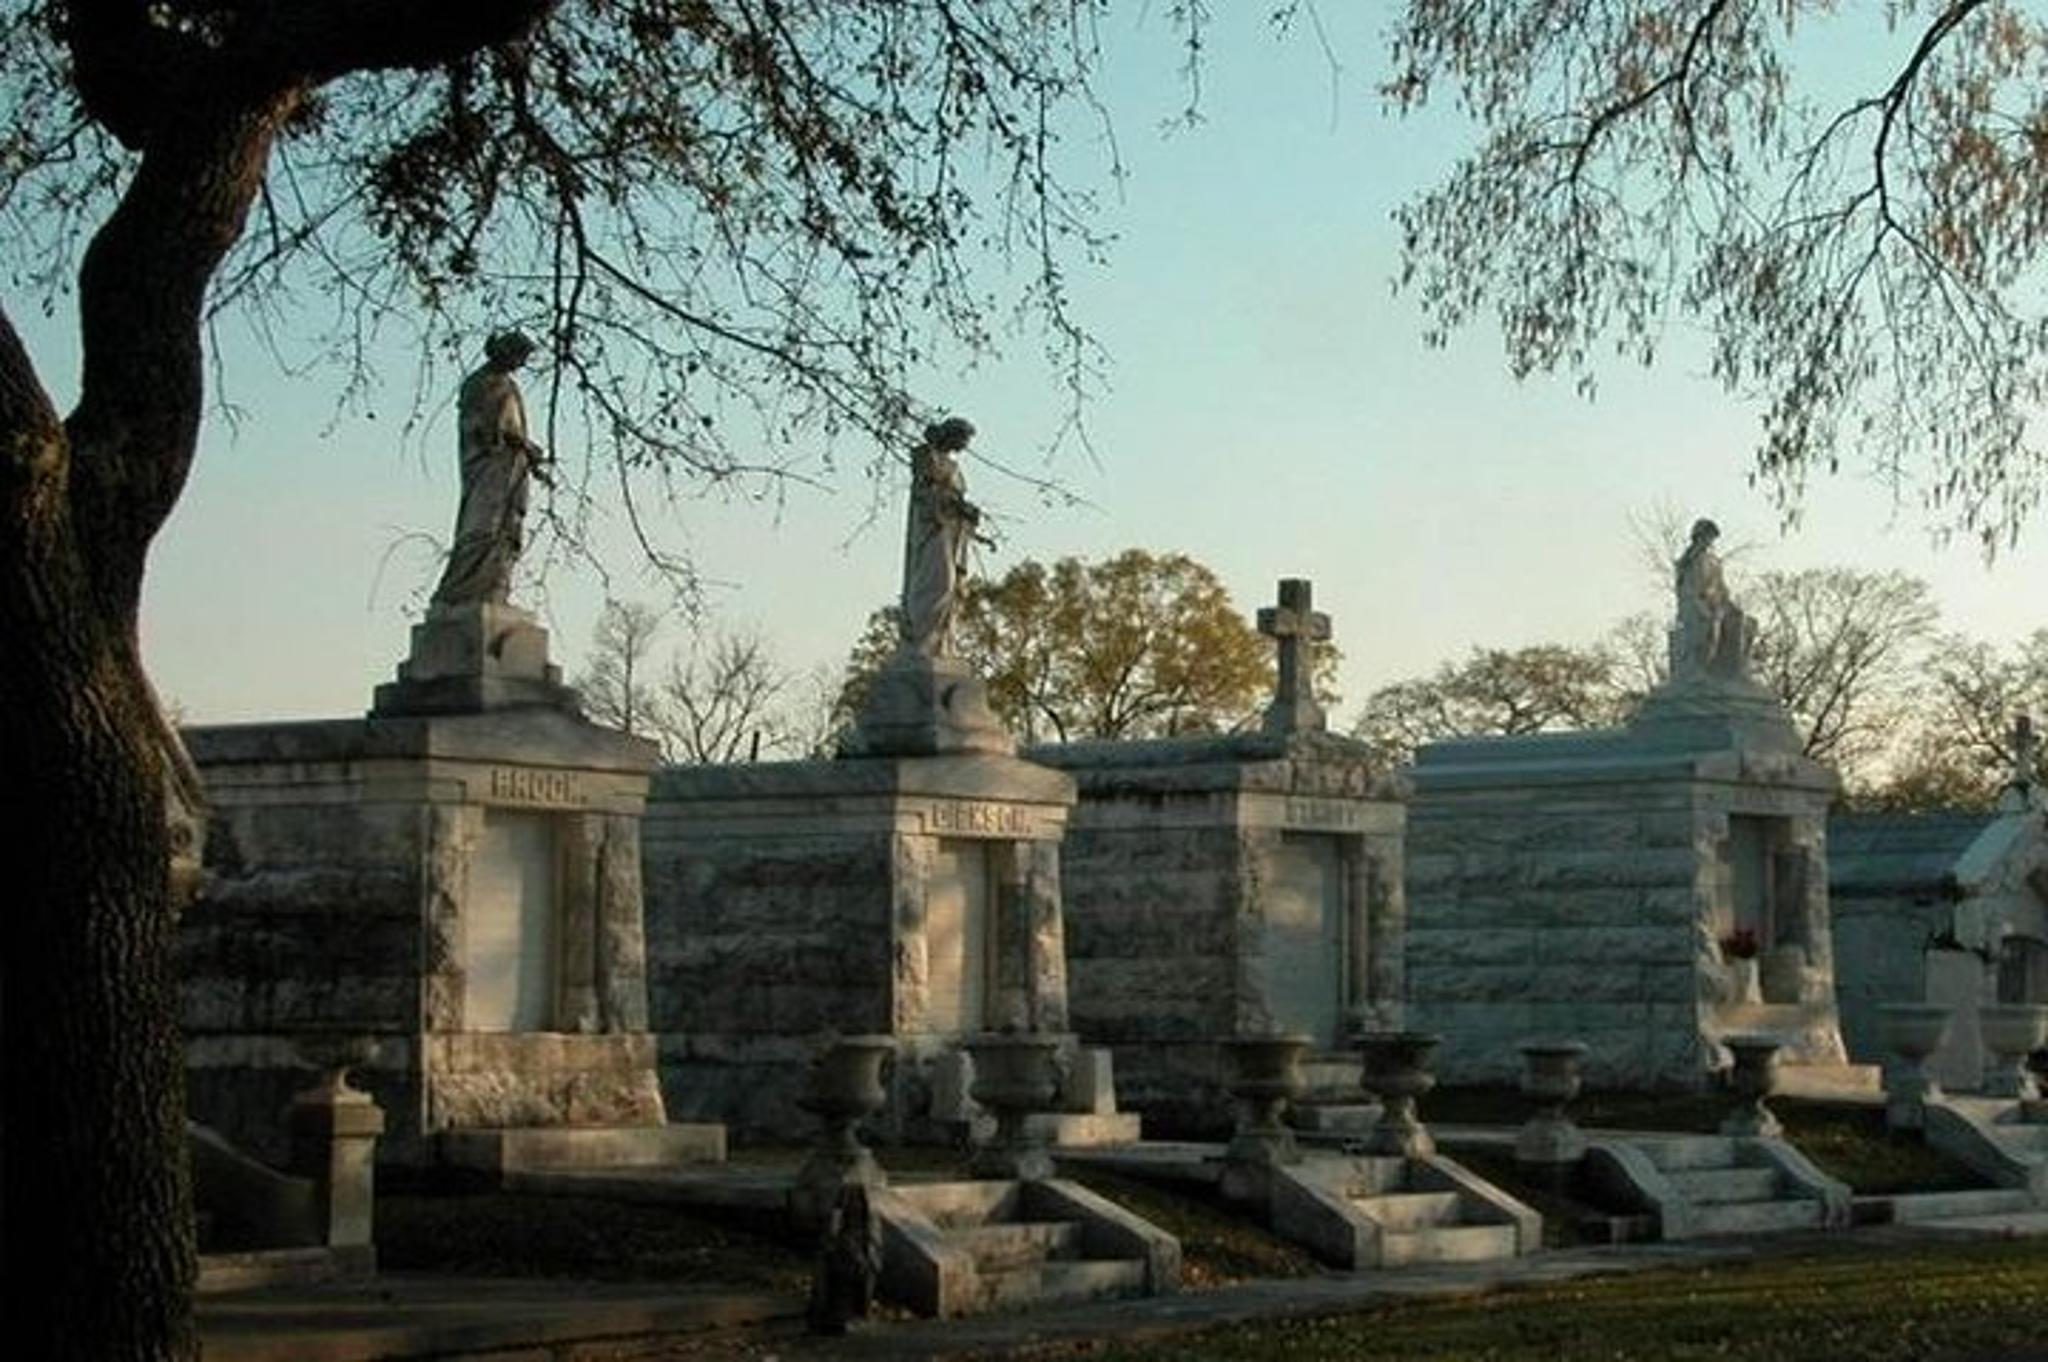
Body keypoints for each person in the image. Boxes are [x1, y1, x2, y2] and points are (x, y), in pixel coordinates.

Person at [431, 330, 549, 607]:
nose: (521, 364)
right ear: (505, 352)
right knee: (483, 526)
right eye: (519, 357)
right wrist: (524, 445)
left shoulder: (509, 385)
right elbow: (486, 429)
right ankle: (462, 591)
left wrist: (529, 456)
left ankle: (495, 590)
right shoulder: (480, 384)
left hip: (513, 468)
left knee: (508, 529)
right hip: (488, 467)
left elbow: (514, 427)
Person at [899, 416, 983, 657]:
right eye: (963, 440)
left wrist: (967, 512)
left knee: (952, 587)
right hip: (933, 530)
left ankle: (942, 643)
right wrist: (955, 505)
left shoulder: (952, 466)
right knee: (937, 583)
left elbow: (953, 496)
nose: (964, 447)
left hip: (952, 532)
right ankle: (922, 641)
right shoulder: (927, 457)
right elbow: (926, 495)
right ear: (952, 435)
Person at [1673, 517, 1753, 680]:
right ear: (1698, 537)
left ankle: (1735, 670)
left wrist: (1728, 605)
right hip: (1695, 605)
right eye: (1706, 536)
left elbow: (1721, 588)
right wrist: (1703, 607)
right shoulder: (1689, 562)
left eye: (1711, 537)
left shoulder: (1714, 561)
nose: (1709, 541)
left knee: (1743, 622)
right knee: (1709, 626)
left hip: (1716, 605)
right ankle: (1700, 670)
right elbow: (1688, 591)